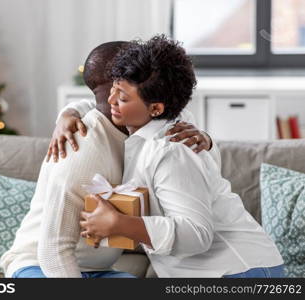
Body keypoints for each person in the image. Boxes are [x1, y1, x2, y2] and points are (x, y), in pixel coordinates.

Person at [0, 41, 216, 278]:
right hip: (41, 265)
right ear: (113, 84)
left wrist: (205, 139)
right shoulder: (81, 148)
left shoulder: (148, 124)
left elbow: (91, 104)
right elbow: (53, 252)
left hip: (98, 270)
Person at [78, 35, 285, 278]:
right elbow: (95, 104)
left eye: (122, 98)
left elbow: (197, 234)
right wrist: (68, 114)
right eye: (113, 89)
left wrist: (119, 225)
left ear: (156, 109)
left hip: (239, 271)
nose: (110, 101)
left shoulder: (171, 149)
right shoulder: (163, 124)